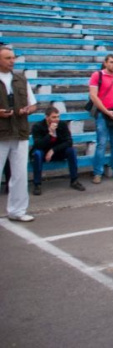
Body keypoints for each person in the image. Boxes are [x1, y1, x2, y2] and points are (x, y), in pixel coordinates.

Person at [0, 46, 37, 222]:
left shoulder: (21, 79)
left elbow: (34, 104)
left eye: (13, 58)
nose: (12, 61)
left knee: (20, 174)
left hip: (20, 130)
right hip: (1, 133)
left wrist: (28, 109)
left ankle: (17, 210)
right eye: (8, 58)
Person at [89, 54, 113, 184]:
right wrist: (106, 111)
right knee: (101, 144)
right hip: (102, 113)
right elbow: (94, 96)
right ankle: (97, 172)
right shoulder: (97, 75)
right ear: (105, 63)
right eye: (111, 62)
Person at [31, 106, 84, 195]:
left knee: (71, 151)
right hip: (43, 152)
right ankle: (37, 184)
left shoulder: (62, 125)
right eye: (54, 117)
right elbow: (38, 145)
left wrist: (53, 150)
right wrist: (50, 133)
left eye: (58, 117)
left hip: (57, 152)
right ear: (47, 117)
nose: (56, 119)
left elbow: (69, 142)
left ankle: (74, 180)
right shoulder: (37, 126)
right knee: (37, 154)